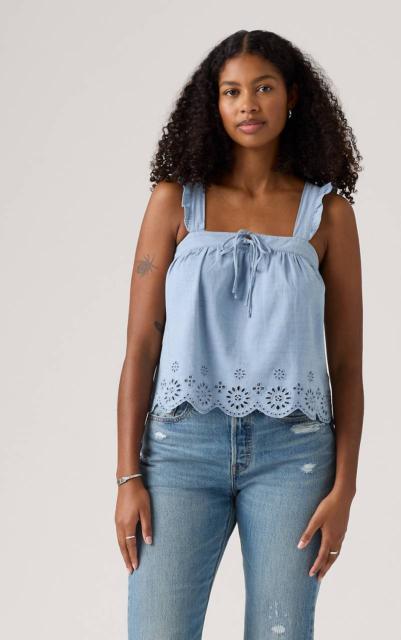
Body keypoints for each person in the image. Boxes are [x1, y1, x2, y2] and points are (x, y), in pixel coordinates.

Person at [115, 29, 364, 640]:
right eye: (231, 91)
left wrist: (345, 489)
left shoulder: (328, 215)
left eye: (263, 88)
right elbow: (140, 349)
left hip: (295, 455)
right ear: (214, 103)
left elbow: (347, 366)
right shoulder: (174, 202)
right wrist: (127, 477)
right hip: (179, 450)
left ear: (292, 96)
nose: (247, 104)